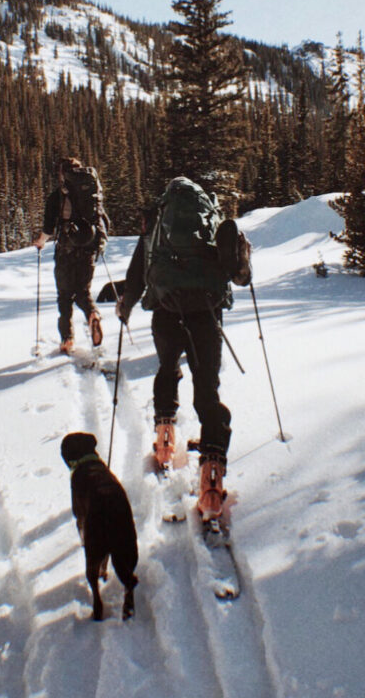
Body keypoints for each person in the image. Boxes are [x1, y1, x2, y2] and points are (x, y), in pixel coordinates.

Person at [115, 177, 251, 521]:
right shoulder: (213, 218)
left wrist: (126, 305)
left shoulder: (158, 222)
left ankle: (164, 436)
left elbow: (139, 272)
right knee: (207, 387)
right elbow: (238, 271)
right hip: (206, 314)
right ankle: (211, 474)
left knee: (168, 369)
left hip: (167, 311)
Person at [34, 157, 108, 353]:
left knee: (65, 296)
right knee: (83, 291)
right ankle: (93, 314)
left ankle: (67, 339)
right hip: (89, 248)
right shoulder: (92, 193)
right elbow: (102, 219)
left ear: (62, 173)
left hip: (66, 250)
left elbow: (48, 229)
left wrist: (40, 242)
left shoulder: (57, 196)